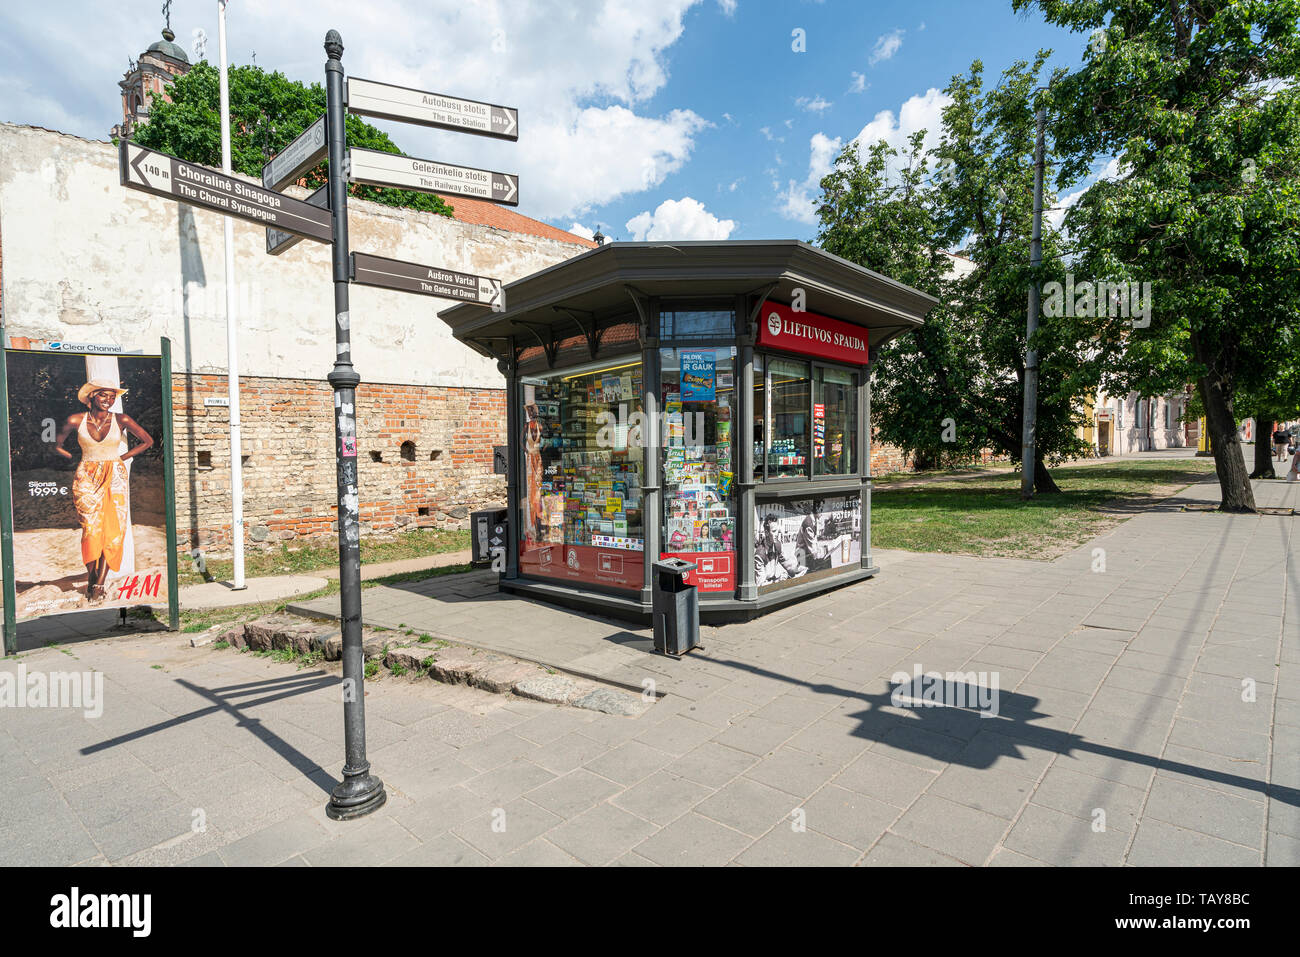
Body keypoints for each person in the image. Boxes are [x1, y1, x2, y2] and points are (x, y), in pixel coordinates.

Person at [54, 379, 154, 601]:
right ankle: (92, 576)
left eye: (112, 397)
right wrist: (71, 458)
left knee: (112, 530)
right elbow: (57, 445)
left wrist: (123, 457)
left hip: (115, 477)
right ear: (91, 397)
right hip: (86, 477)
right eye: (103, 395)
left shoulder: (122, 419)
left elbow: (147, 441)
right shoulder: (75, 420)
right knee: (90, 529)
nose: (108, 400)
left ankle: (99, 584)